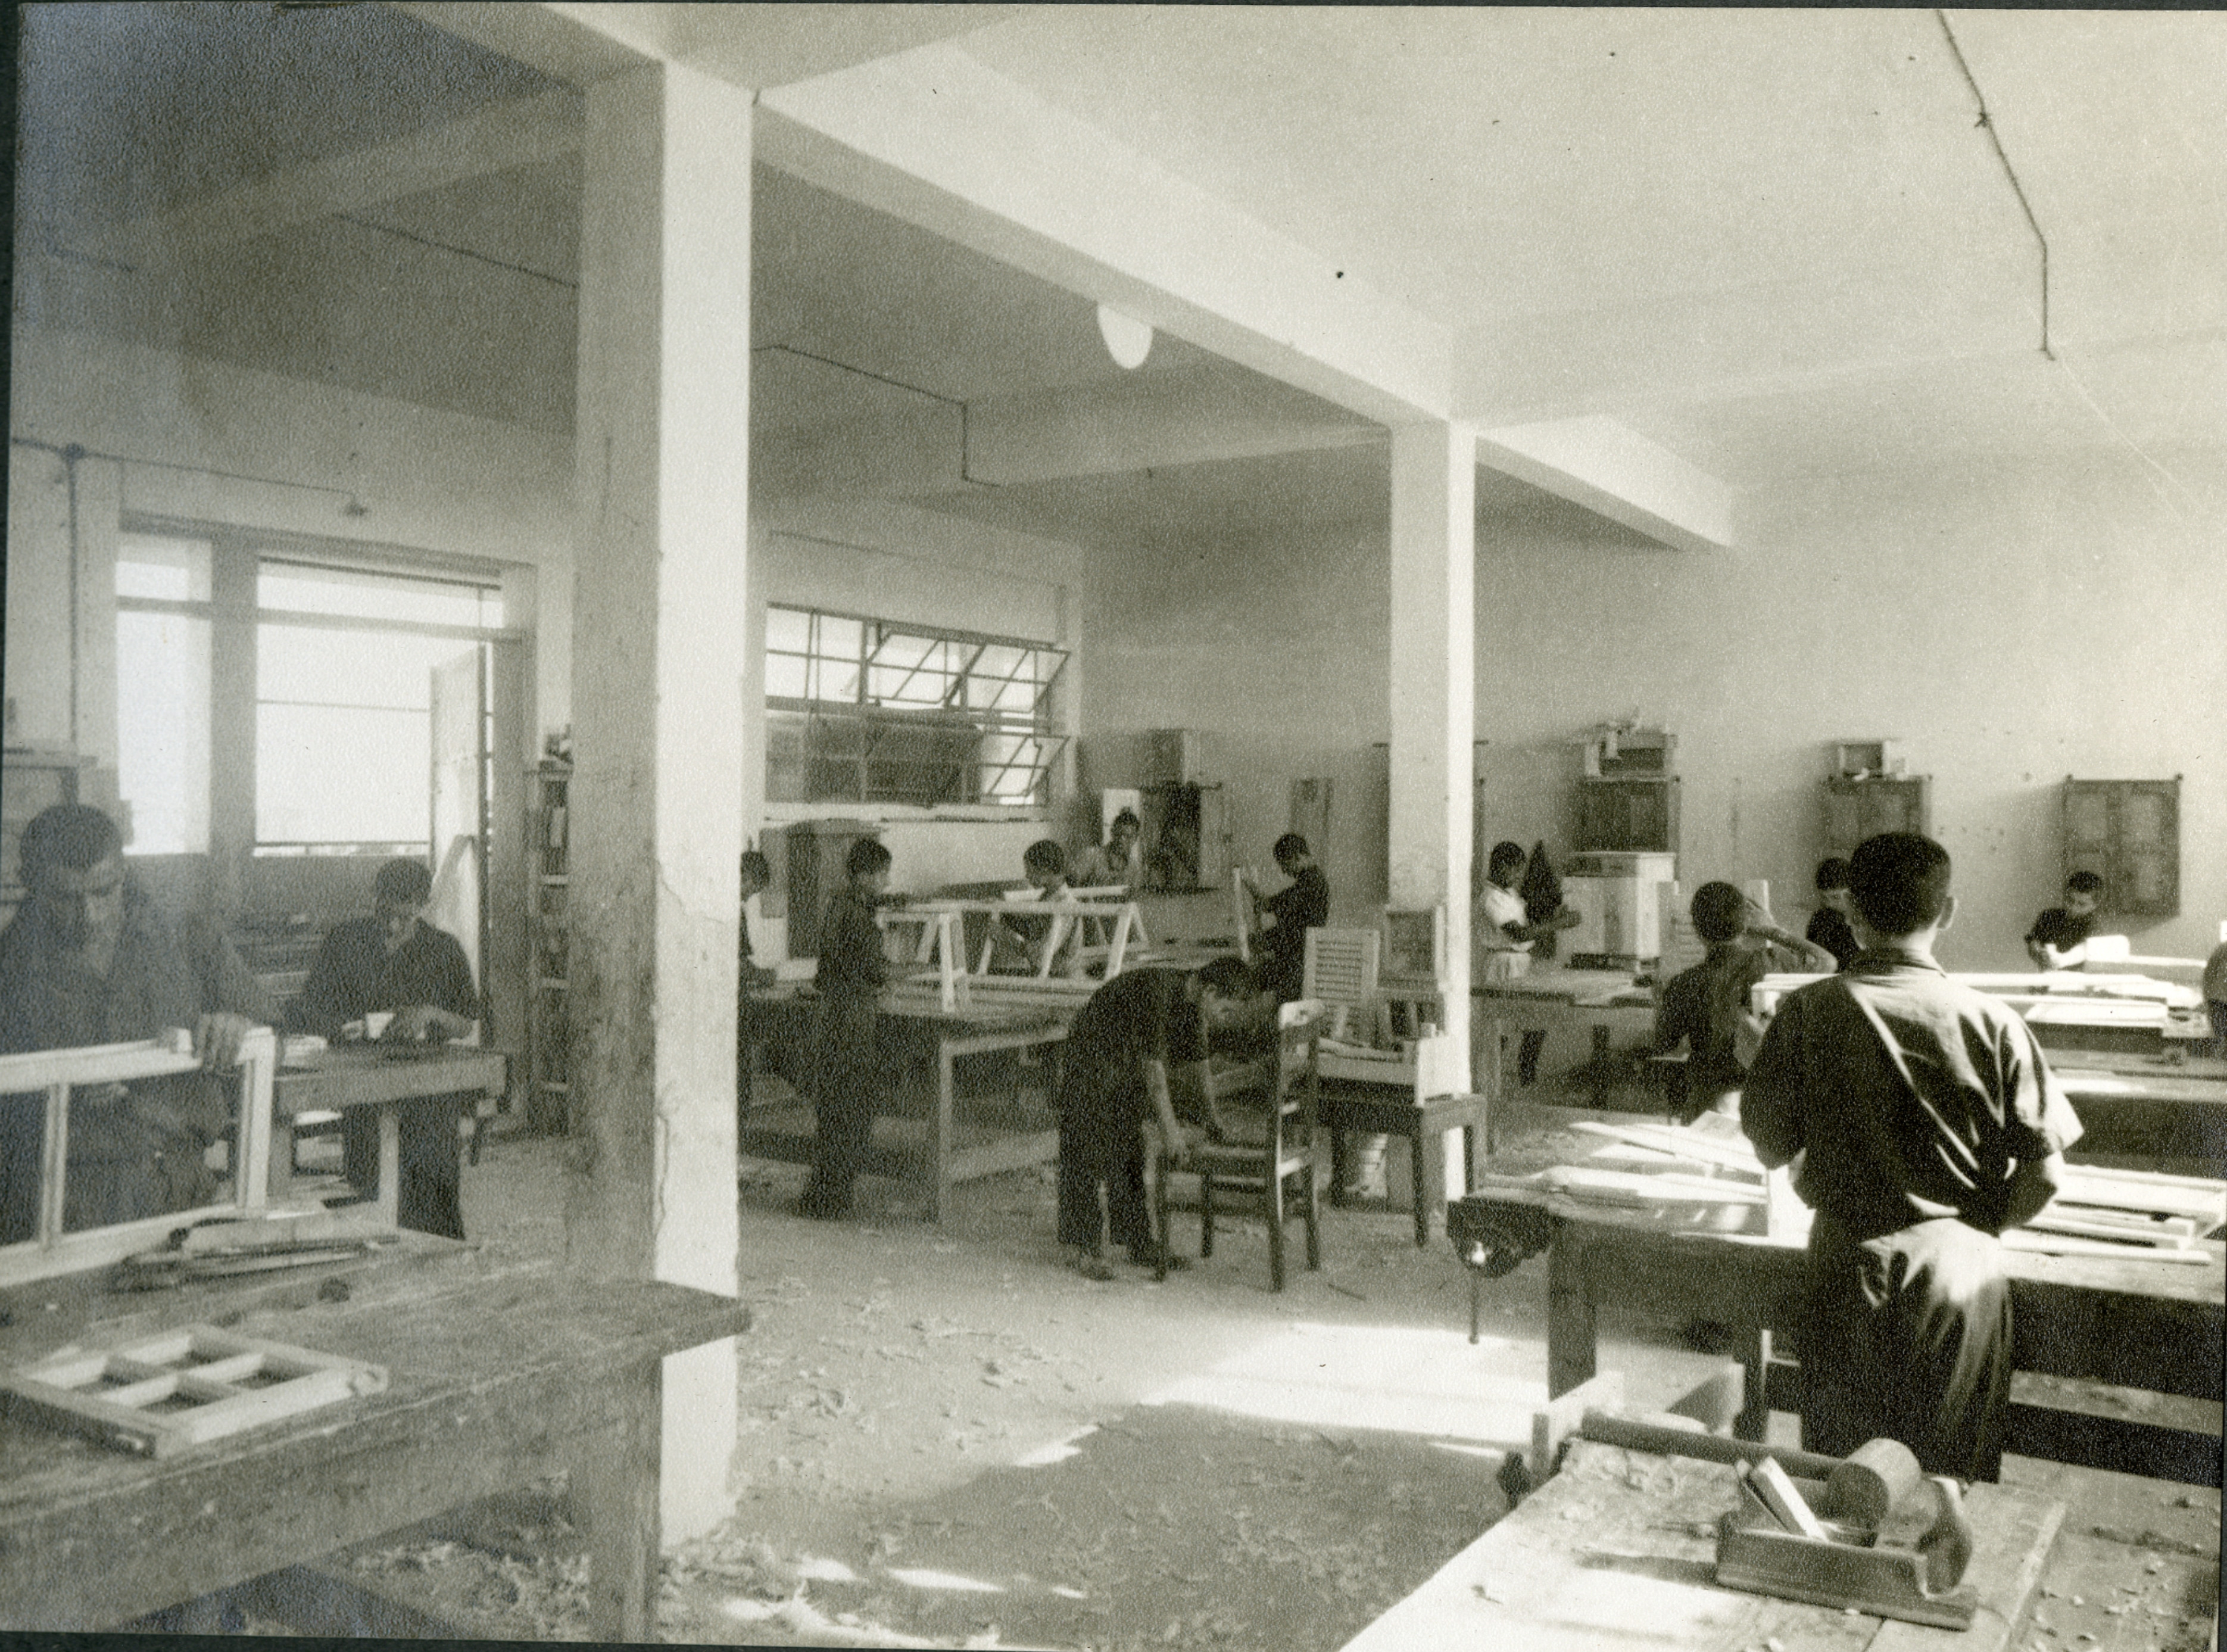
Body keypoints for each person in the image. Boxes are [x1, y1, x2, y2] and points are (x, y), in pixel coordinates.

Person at [1741, 833, 2081, 1482]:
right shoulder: (1995, 1021)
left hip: (1846, 1260)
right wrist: (1979, 1226)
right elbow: (2044, 1176)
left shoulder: (1807, 1010)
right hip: (1958, 1273)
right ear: (1947, 910)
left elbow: (1769, 1146)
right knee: (1947, 1491)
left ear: (1849, 916)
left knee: (1844, 1482)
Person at [0, 804, 270, 1240]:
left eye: (104, 892)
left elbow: (276, 1029)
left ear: (123, 873)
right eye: (66, 898)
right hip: (61, 1209)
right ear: (30, 882)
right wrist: (61, 1096)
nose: (90, 915)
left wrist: (237, 1023)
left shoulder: (188, 939)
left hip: (180, 1189)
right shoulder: (9, 971)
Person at [291, 856, 480, 1239]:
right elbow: (308, 1008)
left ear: (422, 906)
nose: (392, 926)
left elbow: (464, 1024)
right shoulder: (346, 941)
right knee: (367, 1188)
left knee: (431, 1191)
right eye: (384, 914)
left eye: (403, 917)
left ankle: (436, 1257)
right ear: (374, 899)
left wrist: (429, 1013)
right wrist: (338, 1027)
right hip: (363, 1083)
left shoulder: (444, 950)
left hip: (429, 1088)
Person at [1056, 956, 1260, 1280]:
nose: (1224, 1018)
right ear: (1209, 992)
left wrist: (1213, 1118)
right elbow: (1154, 1072)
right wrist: (1172, 1133)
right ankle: (1084, 1249)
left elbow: (1199, 1067)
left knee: (1131, 1150)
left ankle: (1137, 1242)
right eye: (1225, 1010)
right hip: (1091, 1057)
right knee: (1088, 1151)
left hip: (1125, 1064)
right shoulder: (1159, 995)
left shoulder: (1193, 1002)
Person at [1652, 881, 1836, 1124]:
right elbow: (1826, 961)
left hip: (1706, 1108)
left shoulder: (1683, 983)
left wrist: (1660, 1002)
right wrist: (1773, 930)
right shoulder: (1772, 961)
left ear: (1697, 930)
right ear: (1746, 925)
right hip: (1765, 1103)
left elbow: (1664, 1045)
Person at [797, 837, 892, 1220]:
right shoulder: (856, 912)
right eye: (883, 874)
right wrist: (903, 972)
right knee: (851, 1108)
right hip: (851, 1018)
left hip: (833, 1015)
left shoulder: (840, 904)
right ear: (865, 875)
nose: (886, 882)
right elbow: (873, 969)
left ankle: (823, 1196)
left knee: (834, 1109)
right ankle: (832, 1198)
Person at [1477, 840, 1580, 1084]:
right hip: (1502, 962)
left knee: (1534, 1021)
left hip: (1521, 962)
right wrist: (1558, 925)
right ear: (1501, 866)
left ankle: (1527, 1076)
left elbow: (1528, 923)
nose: (1517, 876)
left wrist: (1556, 916)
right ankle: (1490, 1080)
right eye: (1514, 870)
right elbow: (1519, 934)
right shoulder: (1491, 897)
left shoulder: (1510, 894)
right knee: (1500, 1026)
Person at [1242, 834, 1329, 1003]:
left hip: (1296, 961)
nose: (1284, 871)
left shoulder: (1311, 883)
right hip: (1295, 958)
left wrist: (1250, 886)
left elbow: (1274, 908)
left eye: (1284, 865)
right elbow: (1279, 910)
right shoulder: (1310, 880)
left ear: (1297, 858)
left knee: (1284, 1005)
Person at [988, 839, 1078, 976]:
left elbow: (1040, 957)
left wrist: (1004, 938)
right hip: (1047, 973)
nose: (1027, 876)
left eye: (1029, 871)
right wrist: (1002, 909)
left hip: (1058, 977)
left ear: (1044, 871)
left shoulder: (1065, 904)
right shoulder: (1050, 897)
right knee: (992, 972)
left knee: (992, 976)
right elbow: (1033, 928)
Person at [736, 849, 780, 1117]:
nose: (748, 896)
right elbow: (737, 962)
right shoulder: (732, 909)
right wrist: (762, 975)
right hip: (732, 1006)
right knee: (739, 1069)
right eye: (752, 890)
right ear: (748, 877)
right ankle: (739, 1126)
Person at [2025, 870, 2103, 970]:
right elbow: (2034, 942)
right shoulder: (2049, 916)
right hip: (2049, 978)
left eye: (2082, 904)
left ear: (2095, 905)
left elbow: (2084, 950)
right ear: (2065, 895)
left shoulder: (2094, 926)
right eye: (2070, 900)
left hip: (2079, 982)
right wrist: (2039, 952)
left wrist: (2061, 960)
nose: (2073, 908)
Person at [1805, 858, 1861, 970]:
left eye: (1836, 897)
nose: (1830, 904)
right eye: (1824, 898)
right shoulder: (1820, 919)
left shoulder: (1864, 920)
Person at [1070, 808, 1143, 892]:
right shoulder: (1092, 856)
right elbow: (1072, 887)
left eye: (1128, 837)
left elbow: (1132, 900)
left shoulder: (1134, 868)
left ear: (1135, 839)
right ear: (1112, 832)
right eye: (1119, 834)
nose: (1122, 840)